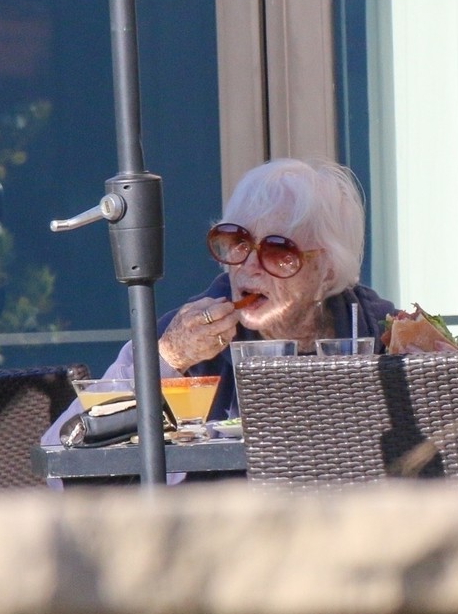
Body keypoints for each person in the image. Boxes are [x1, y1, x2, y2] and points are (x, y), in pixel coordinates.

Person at [43, 158, 396, 445]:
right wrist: (165, 360)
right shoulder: (187, 337)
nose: (249, 266)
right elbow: (63, 450)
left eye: (277, 250)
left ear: (328, 271)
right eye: (238, 242)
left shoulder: (384, 332)